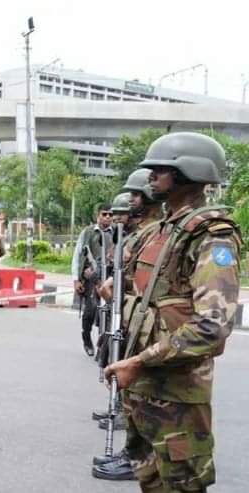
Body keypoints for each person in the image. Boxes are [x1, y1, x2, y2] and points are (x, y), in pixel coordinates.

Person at [104, 132, 241, 492]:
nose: (150, 177)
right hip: (145, 387)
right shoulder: (164, 230)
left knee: (181, 486)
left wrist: (140, 362)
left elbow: (212, 326)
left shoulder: (212, 235)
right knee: (150, 480)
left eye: (160, 169)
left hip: (177, 394)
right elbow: (154, 298)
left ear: (188, 173)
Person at [92, 168, 164, 481]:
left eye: (134, 197)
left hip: (147, 323)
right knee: (135, 393)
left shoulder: (158, 233)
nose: (122, 213)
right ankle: (134, 453)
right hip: (133, 317)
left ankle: (140, 457)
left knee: (146, 399)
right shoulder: (143, 234)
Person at [72, 203, 113, 356]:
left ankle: (103, 345)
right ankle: (86, 339)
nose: (107, 217)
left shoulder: (116, 233)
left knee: (109, 314)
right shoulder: (88, 232)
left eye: (110, 214)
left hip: (109, 279)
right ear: (98, 216)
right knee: (90, 311)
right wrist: (76, 279)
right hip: (90, 280)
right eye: (104, 214)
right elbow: (77, 256)